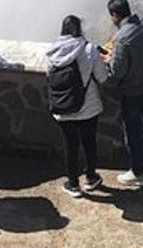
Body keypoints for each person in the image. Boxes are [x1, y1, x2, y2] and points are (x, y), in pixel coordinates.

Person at [103, 0, 143, 186]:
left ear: (114, 15)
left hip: (132, 93)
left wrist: (107, 65)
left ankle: (138, 172)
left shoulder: (123, 38)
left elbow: (117, 72)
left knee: (133, 132)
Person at [46, 15, 108, 197]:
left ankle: (73, 184)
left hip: (63, 107)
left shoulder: (52, 52)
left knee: (70, 146)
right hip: (88, 107)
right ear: (79, 29)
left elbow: (50, 78)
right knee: (89, 143)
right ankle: (90, 177)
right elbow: (102, 77)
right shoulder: (89, 49)